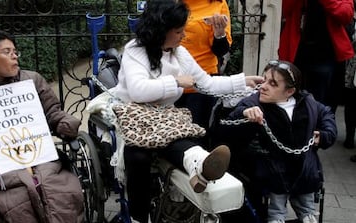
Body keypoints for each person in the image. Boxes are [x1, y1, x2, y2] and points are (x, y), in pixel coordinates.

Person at [108, 0, 263, 222]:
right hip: (133, 115)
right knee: (138, 155)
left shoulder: (179, 53)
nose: (183, 36)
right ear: (161, 31)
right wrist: (176, 82)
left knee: (179, 138)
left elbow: (207, 84)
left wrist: (242, 82)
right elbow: (138, 91)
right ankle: (138, 217)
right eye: (179, 31)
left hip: (163, 116)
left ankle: (202, 166)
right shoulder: (135, 50)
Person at [0, 30, 84, 222]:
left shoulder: (32, 80)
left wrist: (65, 123)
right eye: (7, 52)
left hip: (41, 157)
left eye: (15, 51)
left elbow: (52, 111)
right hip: (5, 166)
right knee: (19, 201)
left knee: (58, 191)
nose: (14, 56)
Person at [221, 60, 337, 223]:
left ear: (289, 91)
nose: (263, 86)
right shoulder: (255, 103)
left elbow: (327, 115)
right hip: (273, 173)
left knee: (309, 215)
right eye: (264, 79)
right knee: (276, 216)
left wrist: (325, 135)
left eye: (273, 83)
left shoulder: (307, 103)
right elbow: (228, 124)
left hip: (304, 172)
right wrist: (244, 113)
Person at [278, 0, 354, 113]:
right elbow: (284, 10)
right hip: (297, 54)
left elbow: (346, 15)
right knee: (292, 101)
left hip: (326, 56)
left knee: (322, 105)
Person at [176, 0, 232, 147]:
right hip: (171, 79)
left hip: (202, 81)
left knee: (198, 138)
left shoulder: (218, 4)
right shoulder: (170, 3)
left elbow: (221, 50)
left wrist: (219, 33)